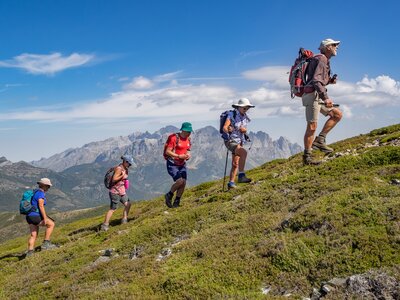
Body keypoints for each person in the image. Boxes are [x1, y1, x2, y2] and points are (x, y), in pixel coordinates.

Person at [302, 38, 343, 165]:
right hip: (312, 95)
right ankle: (307, 158)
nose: (337, 47)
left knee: (337, 114)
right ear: (328, 47)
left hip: (316, 95)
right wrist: (325, 98)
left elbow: (318, 79)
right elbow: (315, 80)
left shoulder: (323, 60)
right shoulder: (322, 59)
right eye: (335, 45)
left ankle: (320, 140)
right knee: (312, 126)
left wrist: (330, 81)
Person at [221, 98, 254, 190]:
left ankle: (231, 183)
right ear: (239, 107)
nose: (246, 109)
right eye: (244, 108)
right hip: (230, 141)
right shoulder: (232, 115)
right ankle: (241, 176)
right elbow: (225, 127)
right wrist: (229, 129)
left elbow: (243, 128)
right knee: (243, 153)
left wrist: (244, 130)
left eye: (247, 108)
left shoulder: (245, 117)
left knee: (235, 163)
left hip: (240, 141)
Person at [26, 178, 57, 257]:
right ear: (44, 186)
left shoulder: (35, 192)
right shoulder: (40, 193)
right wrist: (45, 218)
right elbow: (41, 206)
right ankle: (46, 243)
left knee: (33, 235)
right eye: (48, 186)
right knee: (51, 224)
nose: (48, 188)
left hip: (29, 216)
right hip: (35, 215)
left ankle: (30, 253)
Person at [101, 155, 133, 231]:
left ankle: (124, 220)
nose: (130, 165)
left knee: (128, 204)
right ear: (125, 162)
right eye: (129, 164)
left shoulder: (125, 168)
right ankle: (105, 225)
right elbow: (114, 179)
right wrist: (122, 176)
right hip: (115, 192)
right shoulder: (119, 169)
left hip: (121, 191)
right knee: (113, 209)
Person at [164, 122, 193, 208]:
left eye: (190, 131)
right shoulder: (174, 138)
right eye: (188, 131)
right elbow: (167, 151)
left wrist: (188, 155)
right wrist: (178, 156)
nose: (190, 133)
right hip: (172, 163)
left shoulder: (189, 139)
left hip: (182, 163)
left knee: (183, 183)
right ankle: (169, 195)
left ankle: (177, 202)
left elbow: (188, 150)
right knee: (180, 181)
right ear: (183, 130)